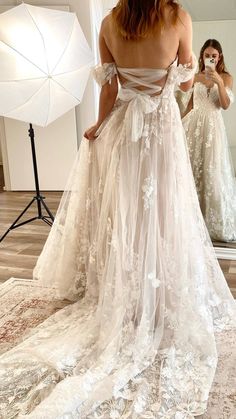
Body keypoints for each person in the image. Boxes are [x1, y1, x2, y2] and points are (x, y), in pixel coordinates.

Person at [0, 2, 235, 418]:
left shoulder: (110, 22)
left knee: (127, 211)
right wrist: (167, 77)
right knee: (164, 210)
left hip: (127, 128)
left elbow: (110, 90)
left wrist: (98, 124)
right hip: (163, 130)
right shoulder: (178, 16)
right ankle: (158, 291)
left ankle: (129, 286)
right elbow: (183, 86)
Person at [181, 39, 236, 242]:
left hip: (213, 128)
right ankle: (192, 222)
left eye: (214, 56)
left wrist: (219, 83)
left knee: (211, 172)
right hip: (194, 126)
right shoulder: (194, 77)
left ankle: (211, 222)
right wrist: (178, 125)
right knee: (192, 170)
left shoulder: (226, 77)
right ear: (202, 55)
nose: (210, 58)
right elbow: (190, 105)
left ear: (219, 57)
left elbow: (225, 104)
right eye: (207, 55)